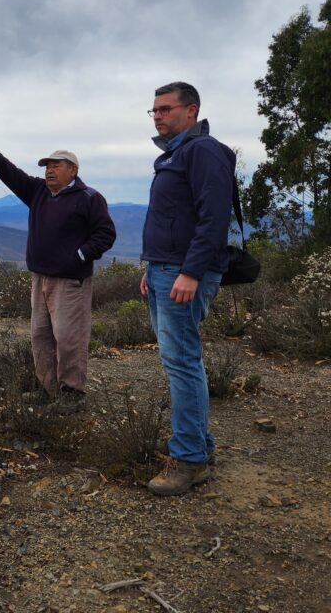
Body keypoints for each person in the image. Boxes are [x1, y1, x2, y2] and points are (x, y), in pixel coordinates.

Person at [0, 131, 116, 411]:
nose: (50, 170)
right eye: (47, 166)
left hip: (70, 281)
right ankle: (48, 388)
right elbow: (14, 176)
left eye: (56, 165)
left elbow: (106, 234)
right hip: (40, 277)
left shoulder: (89, 198)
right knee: (41, 335)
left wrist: (79, 255)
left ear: (73, 170)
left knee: (68, 336)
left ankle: (72, 393)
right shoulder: (39, 191)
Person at [139, 81, 234, 496]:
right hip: (167, 270)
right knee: (179, 360)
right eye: (153, 110)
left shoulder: (202, 151)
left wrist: (191, 271)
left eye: (165, 109)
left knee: (182, 362)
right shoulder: (179, 153)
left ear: (190, 110)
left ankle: (190, 460)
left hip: (184, 273)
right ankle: (199, 444)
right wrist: (153, 267)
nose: (157, 115)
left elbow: (214, 217)